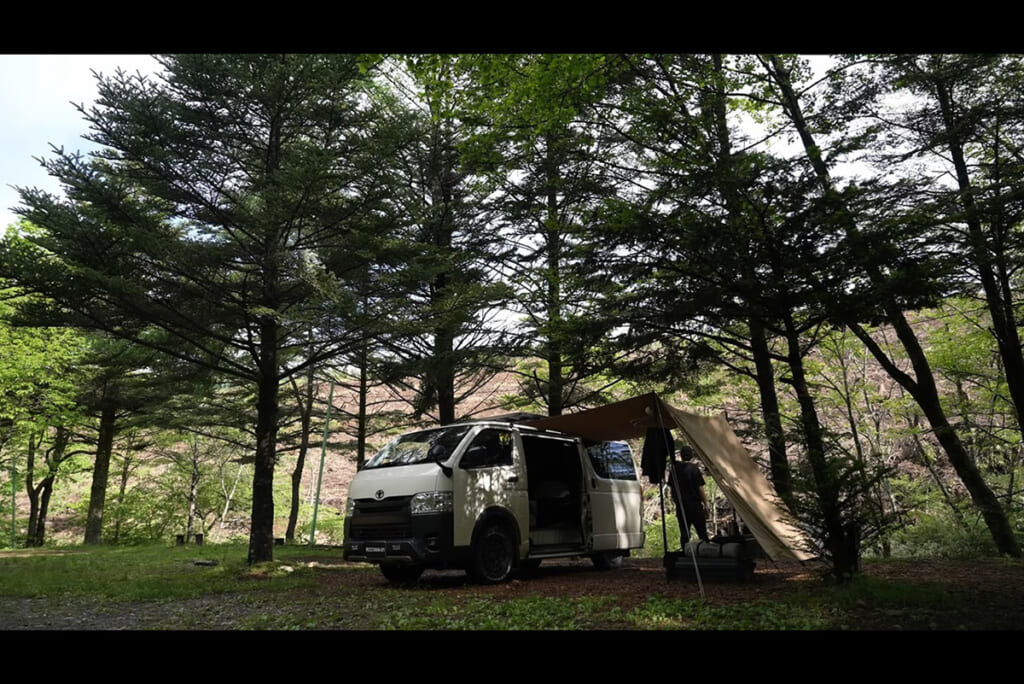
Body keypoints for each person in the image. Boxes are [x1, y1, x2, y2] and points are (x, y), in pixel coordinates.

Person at [667, 444, 709, 547]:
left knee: (685, 533)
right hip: (695, 505)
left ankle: (686, 553)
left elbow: (671, 489)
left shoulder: (674, 470)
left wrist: (675, 501)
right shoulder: (694, 469)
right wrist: (706, 504)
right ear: (691, 456)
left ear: (681, 456)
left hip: (682, 506)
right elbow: (700, 488)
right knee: (702, 532)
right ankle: (705, 552)